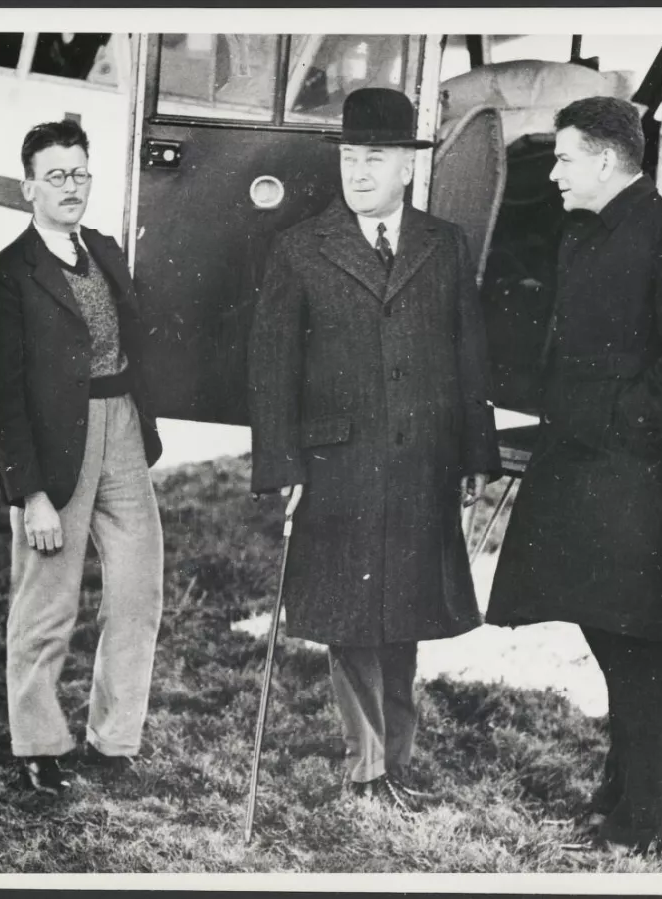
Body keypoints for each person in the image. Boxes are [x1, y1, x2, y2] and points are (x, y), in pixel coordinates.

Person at [485, 97, 662, 853]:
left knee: (637, 645)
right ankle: (621, 794)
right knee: (609, 632)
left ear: (603, 158)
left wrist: (626, 423)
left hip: (642, 479)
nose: (552, 173)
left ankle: (643, 821)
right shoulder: (586, 234)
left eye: (562, 158)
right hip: (590, 468)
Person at [248, 87, 501, 814]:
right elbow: (270, 371)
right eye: (351, 158)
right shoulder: (301, 247)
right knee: (353, 614)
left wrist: (474, 455)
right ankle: (367, 767)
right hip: (339, 464)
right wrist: (282, 465)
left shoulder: (443, 244)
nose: (359, 172)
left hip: (422, 462)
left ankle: (397, 757)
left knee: (406, 610)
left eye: (376, 159)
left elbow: (468, 355)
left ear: (406, 168)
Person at [0, 119, 164, 794]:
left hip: (124, 433)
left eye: (80, 172)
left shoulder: (107, 252)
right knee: (47, 600)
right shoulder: (6, 277)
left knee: (139, 590)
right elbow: (2, 394)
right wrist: (30, 493)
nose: (71, 186)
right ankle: (41, 746)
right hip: (55, 449)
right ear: (29, 187)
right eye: (56, 175)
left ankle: (115, 742)